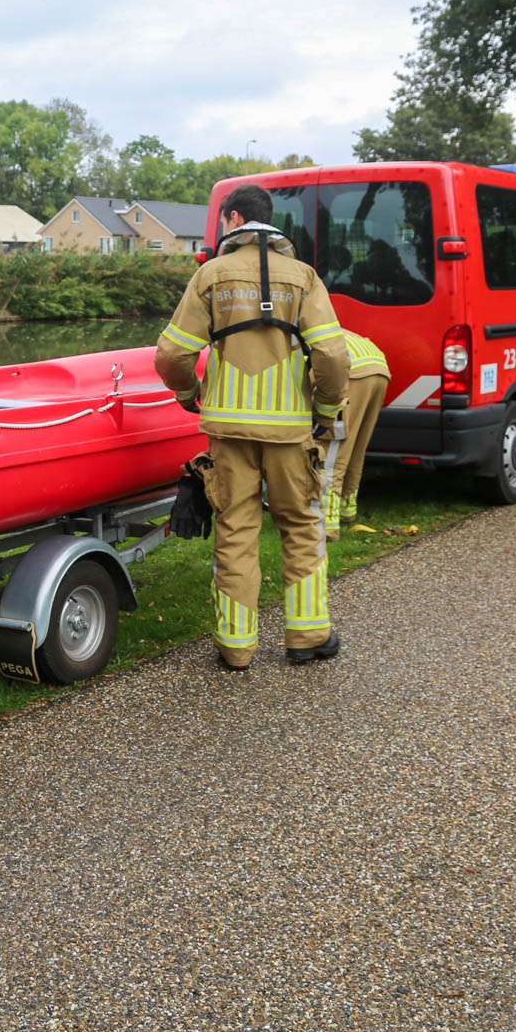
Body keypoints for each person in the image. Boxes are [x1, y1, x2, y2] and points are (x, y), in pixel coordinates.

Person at [154, 184, 350, 670]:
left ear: (233, 219)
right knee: (300, 526)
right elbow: (331, 355)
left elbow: (172, 354)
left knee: (236, 529)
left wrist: (188, 394)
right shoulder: (303, 277)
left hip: (229, 432)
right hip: (290, 433)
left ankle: (236, 648)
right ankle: (307, 636)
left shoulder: (211, 275)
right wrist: (325, 411)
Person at [323, 330, 390, 540]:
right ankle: (347, 510)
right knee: (356, 448)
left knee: (333, 453)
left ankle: (326, 526)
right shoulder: (327, 327)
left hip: (352, 371)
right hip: (378, 366)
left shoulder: (291, 341)